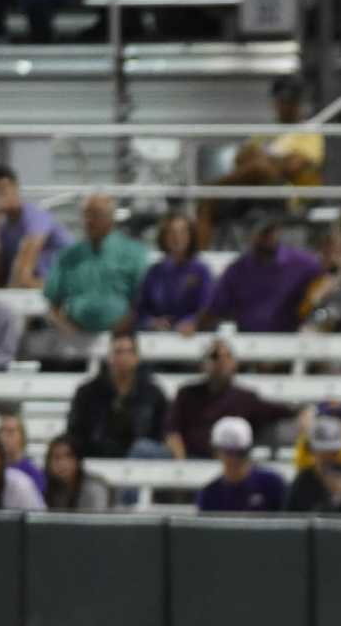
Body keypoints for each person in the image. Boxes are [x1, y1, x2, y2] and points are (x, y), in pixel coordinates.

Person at [198, 77, 325, 247]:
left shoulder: (309, 133)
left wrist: (264, 160)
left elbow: (292, 168)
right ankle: (200, 260)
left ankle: (216, 186)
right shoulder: (266, 132)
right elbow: (240, 158)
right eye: (282, 100)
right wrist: (273, 160)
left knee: (259, 166)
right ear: (275, 102)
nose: (286, 105)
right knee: (207, 203)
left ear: (299, 102)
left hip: (288, 195)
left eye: (291, 100)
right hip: (253, 192)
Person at [165, 339, 295, 459]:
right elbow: (172, 430)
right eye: (215, 356)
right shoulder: (187, 394)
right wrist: (181, 463)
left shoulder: (247, 399)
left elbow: (283, 412)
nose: (221, 361)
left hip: (232, 466)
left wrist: (302, 413)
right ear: (203, 364)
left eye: (227, 356)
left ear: (234, 364)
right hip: (191, 458)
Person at [200, 215, 323, 335]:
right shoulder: (237, 270)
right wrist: (194, 325)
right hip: (247, 344)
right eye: (264, 232)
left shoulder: (302, 262)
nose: (269, 236)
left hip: (288, 343)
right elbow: (215, 308)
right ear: (251, 236)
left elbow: (325, 276)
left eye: (272, 230)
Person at [42, 194, 147, 334]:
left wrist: (119, 331)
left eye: (96, 215)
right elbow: (52, 302)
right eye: (86, 215)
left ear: (110, 219)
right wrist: (66, 327)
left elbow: (142, 300)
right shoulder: (67, 256)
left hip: (122, 338)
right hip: (74, 340)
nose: (89, 220)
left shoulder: (134, 252)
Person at [66, 329, 171, 461]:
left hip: (141, 460)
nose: (124, 357)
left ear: (137, 357)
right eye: (118, 352)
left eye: (130, 351)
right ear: (109, 357)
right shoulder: (87, 393)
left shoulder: (153, 393)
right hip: (97, 456)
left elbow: (162, 434)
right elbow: (75, 433)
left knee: (145, 448)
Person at [0, 166, 71, 290]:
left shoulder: (35, 216)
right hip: (41, 285)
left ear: (15, 188)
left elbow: (22, 272)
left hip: (66, 283)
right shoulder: (4, 228)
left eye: (2, 190)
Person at [135, 213, 214, 333]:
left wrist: (192, 322)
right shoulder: (154, 272)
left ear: (190, 236)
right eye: (171, 233)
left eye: (182, 232)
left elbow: (207, 309)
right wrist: (151, 322)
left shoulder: (201, 271)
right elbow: (141, 311)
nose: (177, 237)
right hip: (158, 339)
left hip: (192, 340)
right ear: (164, 237)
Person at [196, 416, 287, 513]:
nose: (234, 459)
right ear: (216, 452)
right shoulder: (209, 494)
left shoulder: (273, 484)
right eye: (228, 452)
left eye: (240, 453)